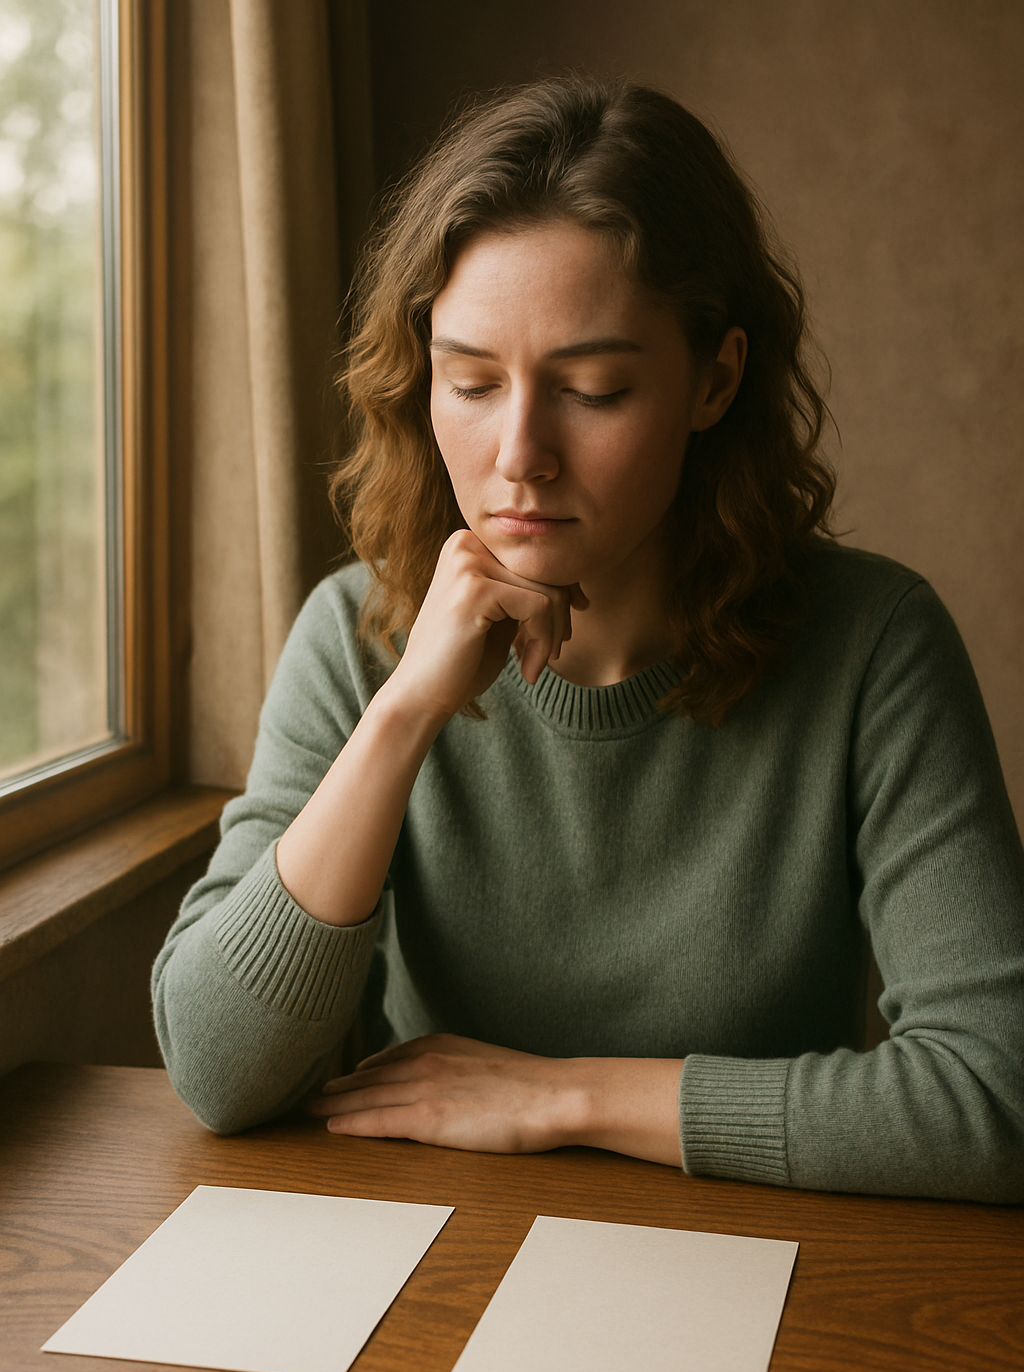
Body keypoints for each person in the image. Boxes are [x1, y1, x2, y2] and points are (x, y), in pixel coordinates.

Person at [153, 75, 1024, 1202]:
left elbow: (995, 1093)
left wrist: (559, 1098)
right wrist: (405, 710)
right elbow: (216, 1073)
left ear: (713, 381)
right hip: (433, 1267)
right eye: (469, 381)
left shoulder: (873, 646)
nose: (520, 454)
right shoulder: (353, 634)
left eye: (596, 390)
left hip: (760, 1269)